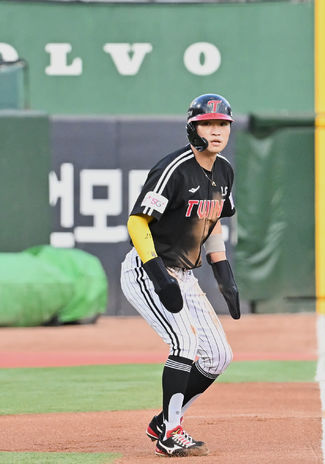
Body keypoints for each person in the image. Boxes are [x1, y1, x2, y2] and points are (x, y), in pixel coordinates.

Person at [120, 94, 241, 458]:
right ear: (193, 127)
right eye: (209, 123)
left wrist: (223, 271)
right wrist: (158, 276)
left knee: (219, 357)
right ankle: (170, 433)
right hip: (148, 270)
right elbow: (137, 221)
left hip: (185, 275)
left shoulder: (224, 171)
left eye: (223, 125)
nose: (217, 131)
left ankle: (163, 419)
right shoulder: (174, 168)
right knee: (184, 346)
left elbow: (213, 220)